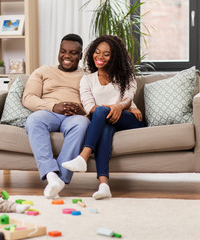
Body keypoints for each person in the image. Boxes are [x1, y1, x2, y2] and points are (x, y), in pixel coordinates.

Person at [62, 35, 144, 199]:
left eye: (106, 54)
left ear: (115, 57)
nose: (100, 57)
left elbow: (128, 99)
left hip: (128, 119)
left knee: (100, 112)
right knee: (104, 128)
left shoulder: (126, 76)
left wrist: (119, 107)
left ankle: (83, 156)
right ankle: (104, 185)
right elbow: (89, 106)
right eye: (97, 52)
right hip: (104, 121)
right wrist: (112, 108)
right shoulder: (87, 79)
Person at [22, 33, 90, 199]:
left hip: (75, 116)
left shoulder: (88, 75)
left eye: (73, 53)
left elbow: (96, 102)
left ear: (80, 56)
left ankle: (58, 181)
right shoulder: (43, 71)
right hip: (49, 113)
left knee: (82, 124)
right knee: (34, 120)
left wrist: (83, 111)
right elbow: (28, 98)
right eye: (63, 51)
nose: (67, 56)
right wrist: (54, 106)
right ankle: (51, 175)